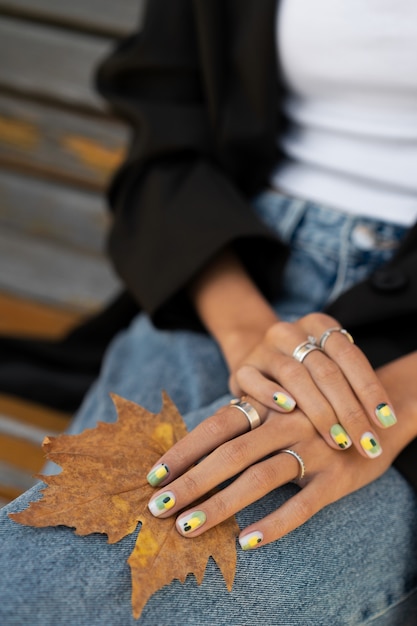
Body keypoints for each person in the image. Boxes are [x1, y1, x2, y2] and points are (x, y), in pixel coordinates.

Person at [1, 0, 417, 623]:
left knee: (67, 595)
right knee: (42, 573)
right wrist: (247, 331)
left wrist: (394, 400)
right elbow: (165, 127)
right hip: (220, 273)